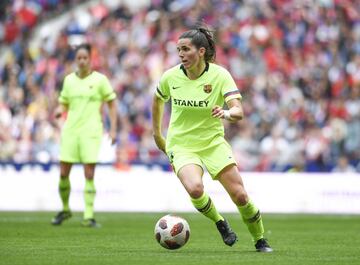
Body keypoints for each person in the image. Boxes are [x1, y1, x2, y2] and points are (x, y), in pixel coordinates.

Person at [152, 26, 273, 252]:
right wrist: (157, 133)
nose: (180, 54)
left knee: (240, 195)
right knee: (196, 188)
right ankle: (220, 222)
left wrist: (225, 113)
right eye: (178, 50)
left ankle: (260, 239)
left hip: (212, 143)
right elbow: (158, 100)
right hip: (181, 144)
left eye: (185, 49)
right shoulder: (170, 77)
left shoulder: (220, 75)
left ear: (201, 51)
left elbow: (238, 110)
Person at [51, 43, 117, 227]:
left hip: (91, 131)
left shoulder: (100, 80)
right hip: (70, 130)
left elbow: (112, 103)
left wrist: (113, 129)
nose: (81, 61)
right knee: (63, 172)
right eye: (78, 58)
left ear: (90, 59)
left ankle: (88, 216)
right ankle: (65, 209)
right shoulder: (69, 80)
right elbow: (63, 103)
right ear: (75, 60)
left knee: (89, 173)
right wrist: (59, 110)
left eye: (85, 58)